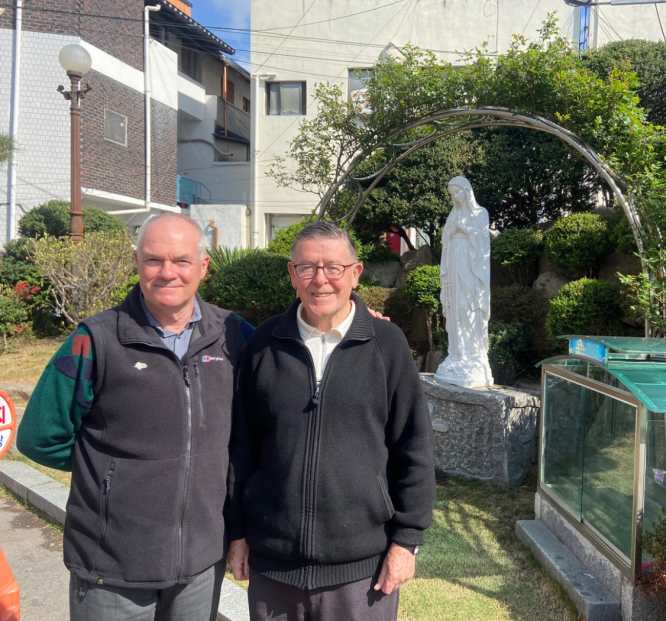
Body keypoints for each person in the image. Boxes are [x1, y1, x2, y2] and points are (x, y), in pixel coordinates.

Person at [17, 213, 254, 621]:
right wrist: (111, 476)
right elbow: (40, 435)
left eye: (181, 260)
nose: (168, 273)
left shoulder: (235, 334)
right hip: (112, 563)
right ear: (136, 262)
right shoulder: (95, 340)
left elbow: (293, 358)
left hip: (200, 562)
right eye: (153, 260)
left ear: (203, 267)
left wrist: (359, 324)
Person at [225, 220, 436, 621]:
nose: (320, 279)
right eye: (307, 267)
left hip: (362, 572)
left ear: (355, 274)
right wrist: (236, 530)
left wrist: (407, 540)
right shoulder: (264, 345)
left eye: (333, 268)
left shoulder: (386, 345)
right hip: (273, 566)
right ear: (292, 275)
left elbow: (414, 445)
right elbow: (241, 446)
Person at [435, 176, 493, 388]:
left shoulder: (480, 213)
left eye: (458, 192)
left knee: (468, 307)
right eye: (452, 194)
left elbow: (483, 240)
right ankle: (457, 352)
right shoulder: (453, 214)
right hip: (454, 265)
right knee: (454, 309)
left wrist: (465, 230)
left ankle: (474, 355)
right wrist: (452, 232)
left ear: (467, 191)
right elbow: (446, 239)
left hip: (471, 266)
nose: (455, 197)